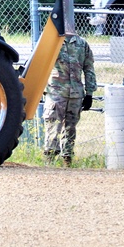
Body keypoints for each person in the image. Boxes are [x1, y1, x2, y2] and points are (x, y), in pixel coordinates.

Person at [43, 33, 97, 166]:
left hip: (75, 94)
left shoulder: (82, 43)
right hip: (56, 92)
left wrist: (89, 93)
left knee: (70, 129)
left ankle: (67, 162)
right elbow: (42, 66)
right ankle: (48, 163)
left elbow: (89, 67)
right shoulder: (52, 42)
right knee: (53, 127)